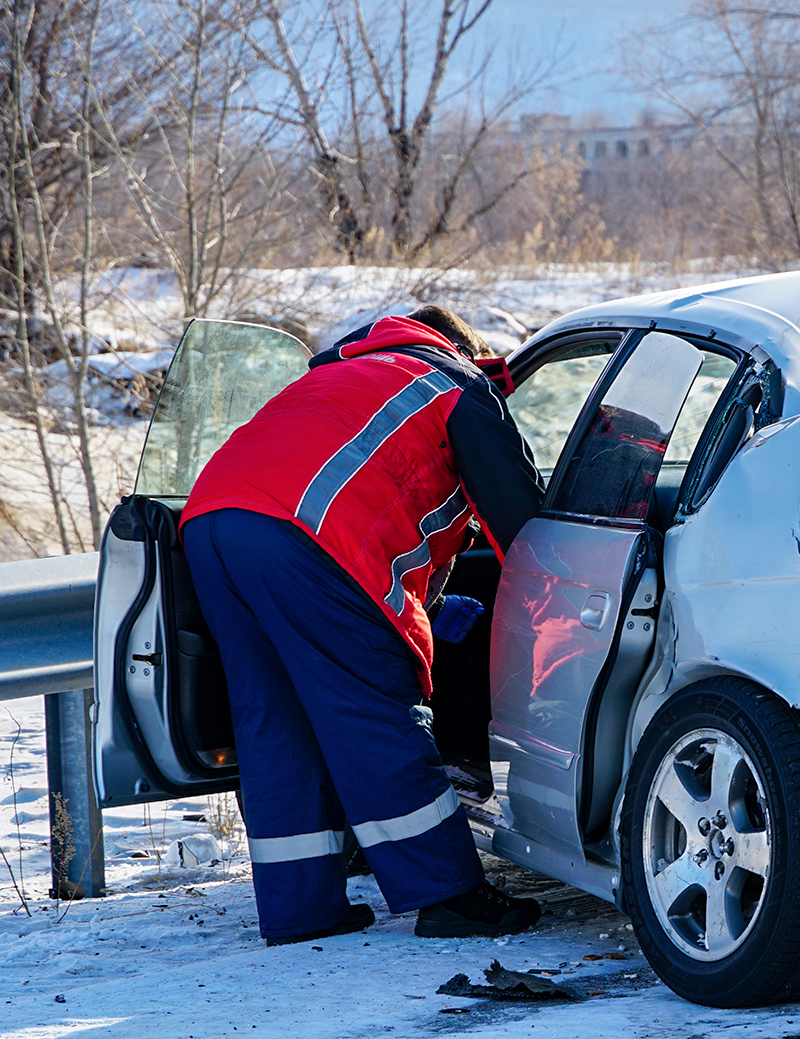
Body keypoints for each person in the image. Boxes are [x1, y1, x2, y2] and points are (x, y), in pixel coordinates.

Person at [180, 305, 546, 944]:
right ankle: (449, 894)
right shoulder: (454, 385)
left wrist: (424, 613)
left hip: (210, 522)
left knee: (272, 717)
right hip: (306, 536)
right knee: (372, 710)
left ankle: (301, 910)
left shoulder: (342, 375)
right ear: (466, 351)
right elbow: (527, 528)